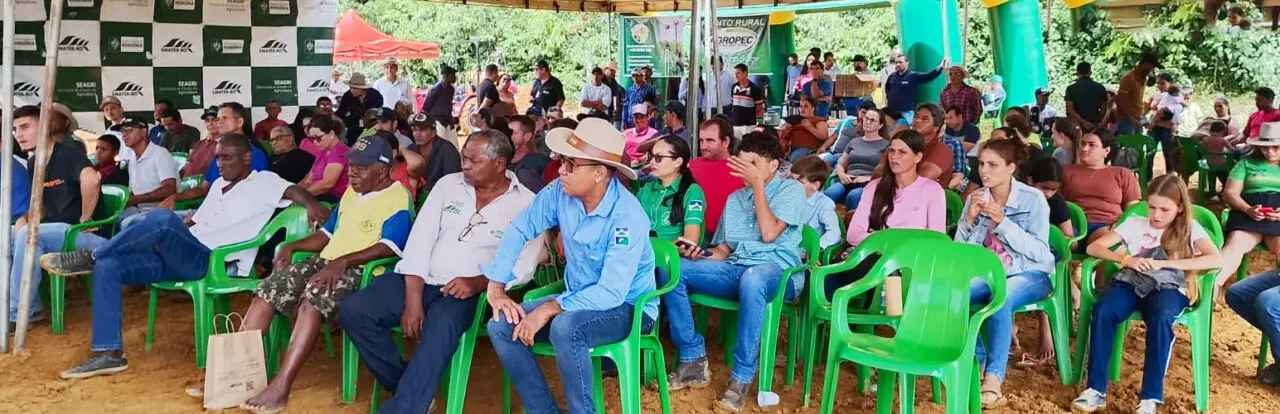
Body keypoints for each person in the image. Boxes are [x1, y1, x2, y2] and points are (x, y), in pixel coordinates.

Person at [42, 133, 329, 379]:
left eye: (228, 157)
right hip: (181, 254)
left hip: (210, 261)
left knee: (163, 220)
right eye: (218, 158)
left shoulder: (264, 180)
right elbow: (195, 223)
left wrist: (313, 205)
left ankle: (91, 256)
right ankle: (110, 352)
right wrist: (159, 237)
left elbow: (292, 190)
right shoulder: (217, 186)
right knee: (111, 264)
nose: (220, 163)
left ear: (246, 158)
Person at [341, 132, 545, 414]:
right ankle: (410, 387)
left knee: (441, 326)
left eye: (474, 160)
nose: (465, 165)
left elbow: (524, 264)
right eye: (464, 157)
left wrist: (477, 282)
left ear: (499, 163)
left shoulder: (526, 203)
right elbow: (419, 241)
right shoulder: (448, 185)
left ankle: (406, 406)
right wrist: (413, 299)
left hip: (472, 293)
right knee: (355, 310)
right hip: (419, 279)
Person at [482, 117, 656, 414]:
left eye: (571, 165)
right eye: (562, 160)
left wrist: (547, 308)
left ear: (600, 173)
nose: (561, 170)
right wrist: (496, 286)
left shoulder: (628, 216)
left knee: (565, 326)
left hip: (628, 308)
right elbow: (519, 229)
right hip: (576, 299)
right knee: (500, 324)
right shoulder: (559, 193)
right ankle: (543, 410)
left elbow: (612, 293)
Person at [661, 132, 807, 411]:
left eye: (751, 164)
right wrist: (701, 254)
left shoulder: (791, 191)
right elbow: (724, 251)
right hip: (738, 269)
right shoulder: (736, 199)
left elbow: (768, 233)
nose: (743, 171)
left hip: (778, 273)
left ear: (773, 166)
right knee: (674, 268)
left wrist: (758, 189)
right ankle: (692, 358)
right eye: (740, 163)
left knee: (754, 278)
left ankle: (741, 378)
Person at [1071, 175, 1222, 414]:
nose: (1157, 215)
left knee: (1161, 317)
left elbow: (1216, 258)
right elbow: (1093, 247)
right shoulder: (1135, 223)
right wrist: (1126, 259)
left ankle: (1150, 396)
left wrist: (1168, 265)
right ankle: (1095, 389)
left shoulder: (1190, 228)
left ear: (1180, 207)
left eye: (1165, 209)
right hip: (1133, 281)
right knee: (1104, 310)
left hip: (1171, 286)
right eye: (1152, 207)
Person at [955, 138, 1055, 407]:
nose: (983, 171)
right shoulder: (976, 198)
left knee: (1002, 294)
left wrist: (1003, 222)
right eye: (980, 164)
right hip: (988, 271)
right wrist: (968, 221)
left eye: (992, 165)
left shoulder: (1032, 199)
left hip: (1031, 273)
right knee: (956, 294)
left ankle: (994, 377)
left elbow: (1039, 252)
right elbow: (960, 253)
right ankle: (977, 360)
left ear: (1011, 167)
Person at [6, 105, 105, 325]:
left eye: (25, 127)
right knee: (11, 233)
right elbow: (40, 207)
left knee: (28, 235)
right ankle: (24, 306)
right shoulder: (34, 162)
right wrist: (24, 219)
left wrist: (86, 218)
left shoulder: (66, 153)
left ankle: (18, 313)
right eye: (14, 129)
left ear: (44, 127)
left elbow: (93, 179)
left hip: (89, 239)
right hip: (57, 233)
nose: (18, 134)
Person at [827, 129, 946, 299]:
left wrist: (881, 239)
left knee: (876, 270)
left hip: (911, 260)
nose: (894, 157)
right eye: (891, 151)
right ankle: (833, 323)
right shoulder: (875, 187)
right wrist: (884, 243)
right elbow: (854, 234)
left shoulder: (932, 190)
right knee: (831, 274)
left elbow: (936, 239)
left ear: (918, 157)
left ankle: (870, 318)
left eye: (902, 152)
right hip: (871, 255)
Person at [1217, 123, 1280, 293]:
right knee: (1234, 245)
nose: (1270, 152)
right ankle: (1211, 288)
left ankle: (1274, 299)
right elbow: (1230, 193)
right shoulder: (1245, 164)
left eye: (1276, 147)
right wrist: (1248, 209)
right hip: (1247, 213)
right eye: (1265, 148)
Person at [1062, 129, 1143, 253]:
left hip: (1106, 225)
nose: (1084, 148)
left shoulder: (1122, 174)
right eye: (1082, 143)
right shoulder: (1065, 171)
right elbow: (1053, 201)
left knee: (1107, 245)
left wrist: (1122, 225)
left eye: (1092, 145)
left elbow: (1133, 209)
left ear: (1106, 151)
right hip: (1071, 226)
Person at [635, 135, 706, 243]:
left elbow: (690, 241)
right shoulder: (646, 189)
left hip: (673, 258)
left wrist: (660, 250)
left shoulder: (692, 192)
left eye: (658, 158)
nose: (652, 162)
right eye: (651, 156)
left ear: (677, 162)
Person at [112, 118, 177, 228]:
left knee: (127, 223)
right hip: (138, 210)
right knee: (110, 219)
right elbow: (132, 192)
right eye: (122, 131)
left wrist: (136, 199)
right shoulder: (132, 158)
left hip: (161, 211)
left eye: (129, 129)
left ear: (144, 131)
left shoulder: (160, 154)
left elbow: (170, 188)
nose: (124, 134)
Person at [824, 107, 891, 210]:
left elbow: (887, 171)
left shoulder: (886, 145)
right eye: (866, 118)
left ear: (880, 125)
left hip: (869, 182)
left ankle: (851, 223)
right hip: (848, 179)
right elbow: (841, 164)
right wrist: (842, 175)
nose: (868, 122)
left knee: (854, 195)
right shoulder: (854, 142)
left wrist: (869, 178)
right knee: (831, 193)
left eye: (872, 120)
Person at [690, 118, 746, 239]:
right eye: (701, 141)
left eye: (710, 140)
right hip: (694, 232)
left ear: (725, 141)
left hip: (729, 238)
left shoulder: (742, 169)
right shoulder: (692, 165)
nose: (704, 146)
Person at [884, 103, 956, 189]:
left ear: (936, 127)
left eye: (924, 119)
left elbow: (921, 180)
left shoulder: (942, 150)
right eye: (916, 117)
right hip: (892, 192)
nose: (917, 121)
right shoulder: (901, 144)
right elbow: (879, 171)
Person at [791, 156, 841, 249]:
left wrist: (816, 248)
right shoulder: (787, 197)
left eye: (799, 182)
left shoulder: (824, 204)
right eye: (791, 179)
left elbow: (834, 233)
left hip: (805, 253)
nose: (792, 185)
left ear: (815, 185)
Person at [408, 113, 462, 193]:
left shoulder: (448, 150)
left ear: (434, 132)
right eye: (415, 130)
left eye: (423, 130)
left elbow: (452, 183)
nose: (418, 134)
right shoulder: (411, 149)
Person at [884, 54, 947, 122]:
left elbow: (928, 76)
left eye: (900, 62)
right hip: (892, 112)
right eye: (896, 62)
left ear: (907, 63)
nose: (898, 64)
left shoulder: (912, 76)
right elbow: (887, 88)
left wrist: (940, 67)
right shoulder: (892, 76)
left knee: (906, 131)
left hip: (906, 113)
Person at [1115, 53, 1161, 135]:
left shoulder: (1144, 78)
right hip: (1126, 119)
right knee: (1127, 146)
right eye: (1152, 67)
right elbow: (1120, 100)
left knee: (1137, 146)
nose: (1153, 70)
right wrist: (1131, 119)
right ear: (1145, 64)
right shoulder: (1128, 77)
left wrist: (1144, 120)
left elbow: (1137, 101)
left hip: (1138, 118)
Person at [337, 73, 385, 144]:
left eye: (355, 88)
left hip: (372, 129)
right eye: (350, 87)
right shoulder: (347, 96)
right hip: (353, 130)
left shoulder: (375, 96)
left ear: (362, 88)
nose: (351, 90)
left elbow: (380, 111)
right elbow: (341, 111)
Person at [780, 97, 829, 162]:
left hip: (807, 149)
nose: (802, 109)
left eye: (806, 106)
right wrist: (786, 126)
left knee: (794, 159)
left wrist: (810, 127)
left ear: (813, 108)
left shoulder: (818, 120)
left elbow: (824, 136)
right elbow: (781, 133)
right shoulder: (795, 119)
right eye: (801, 106)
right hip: (789, 148)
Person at [508, 115, 552, 183]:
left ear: (527, 136)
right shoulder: (501, 160)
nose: (508, 136)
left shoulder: (542, 162)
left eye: (514, 133)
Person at [1065, 62, 1108, 131]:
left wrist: (1083, 122)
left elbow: (1069, 110)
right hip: (1094, 124)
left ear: (1077, 73)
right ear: (1090, 72)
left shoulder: (1071, 89)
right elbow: (1104, 109)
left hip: (1077, 126)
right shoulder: (1100, 88)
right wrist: (1097, 121)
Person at [728, 64, 765, 128]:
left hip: (749, 125)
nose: (736, 76)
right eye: (735, 74)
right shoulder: (734, 87)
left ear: (745, 73)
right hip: (735, 124)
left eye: (738, 73)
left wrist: (758, 124)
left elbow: (759, 109)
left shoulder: (755, 88)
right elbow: (733, 105)